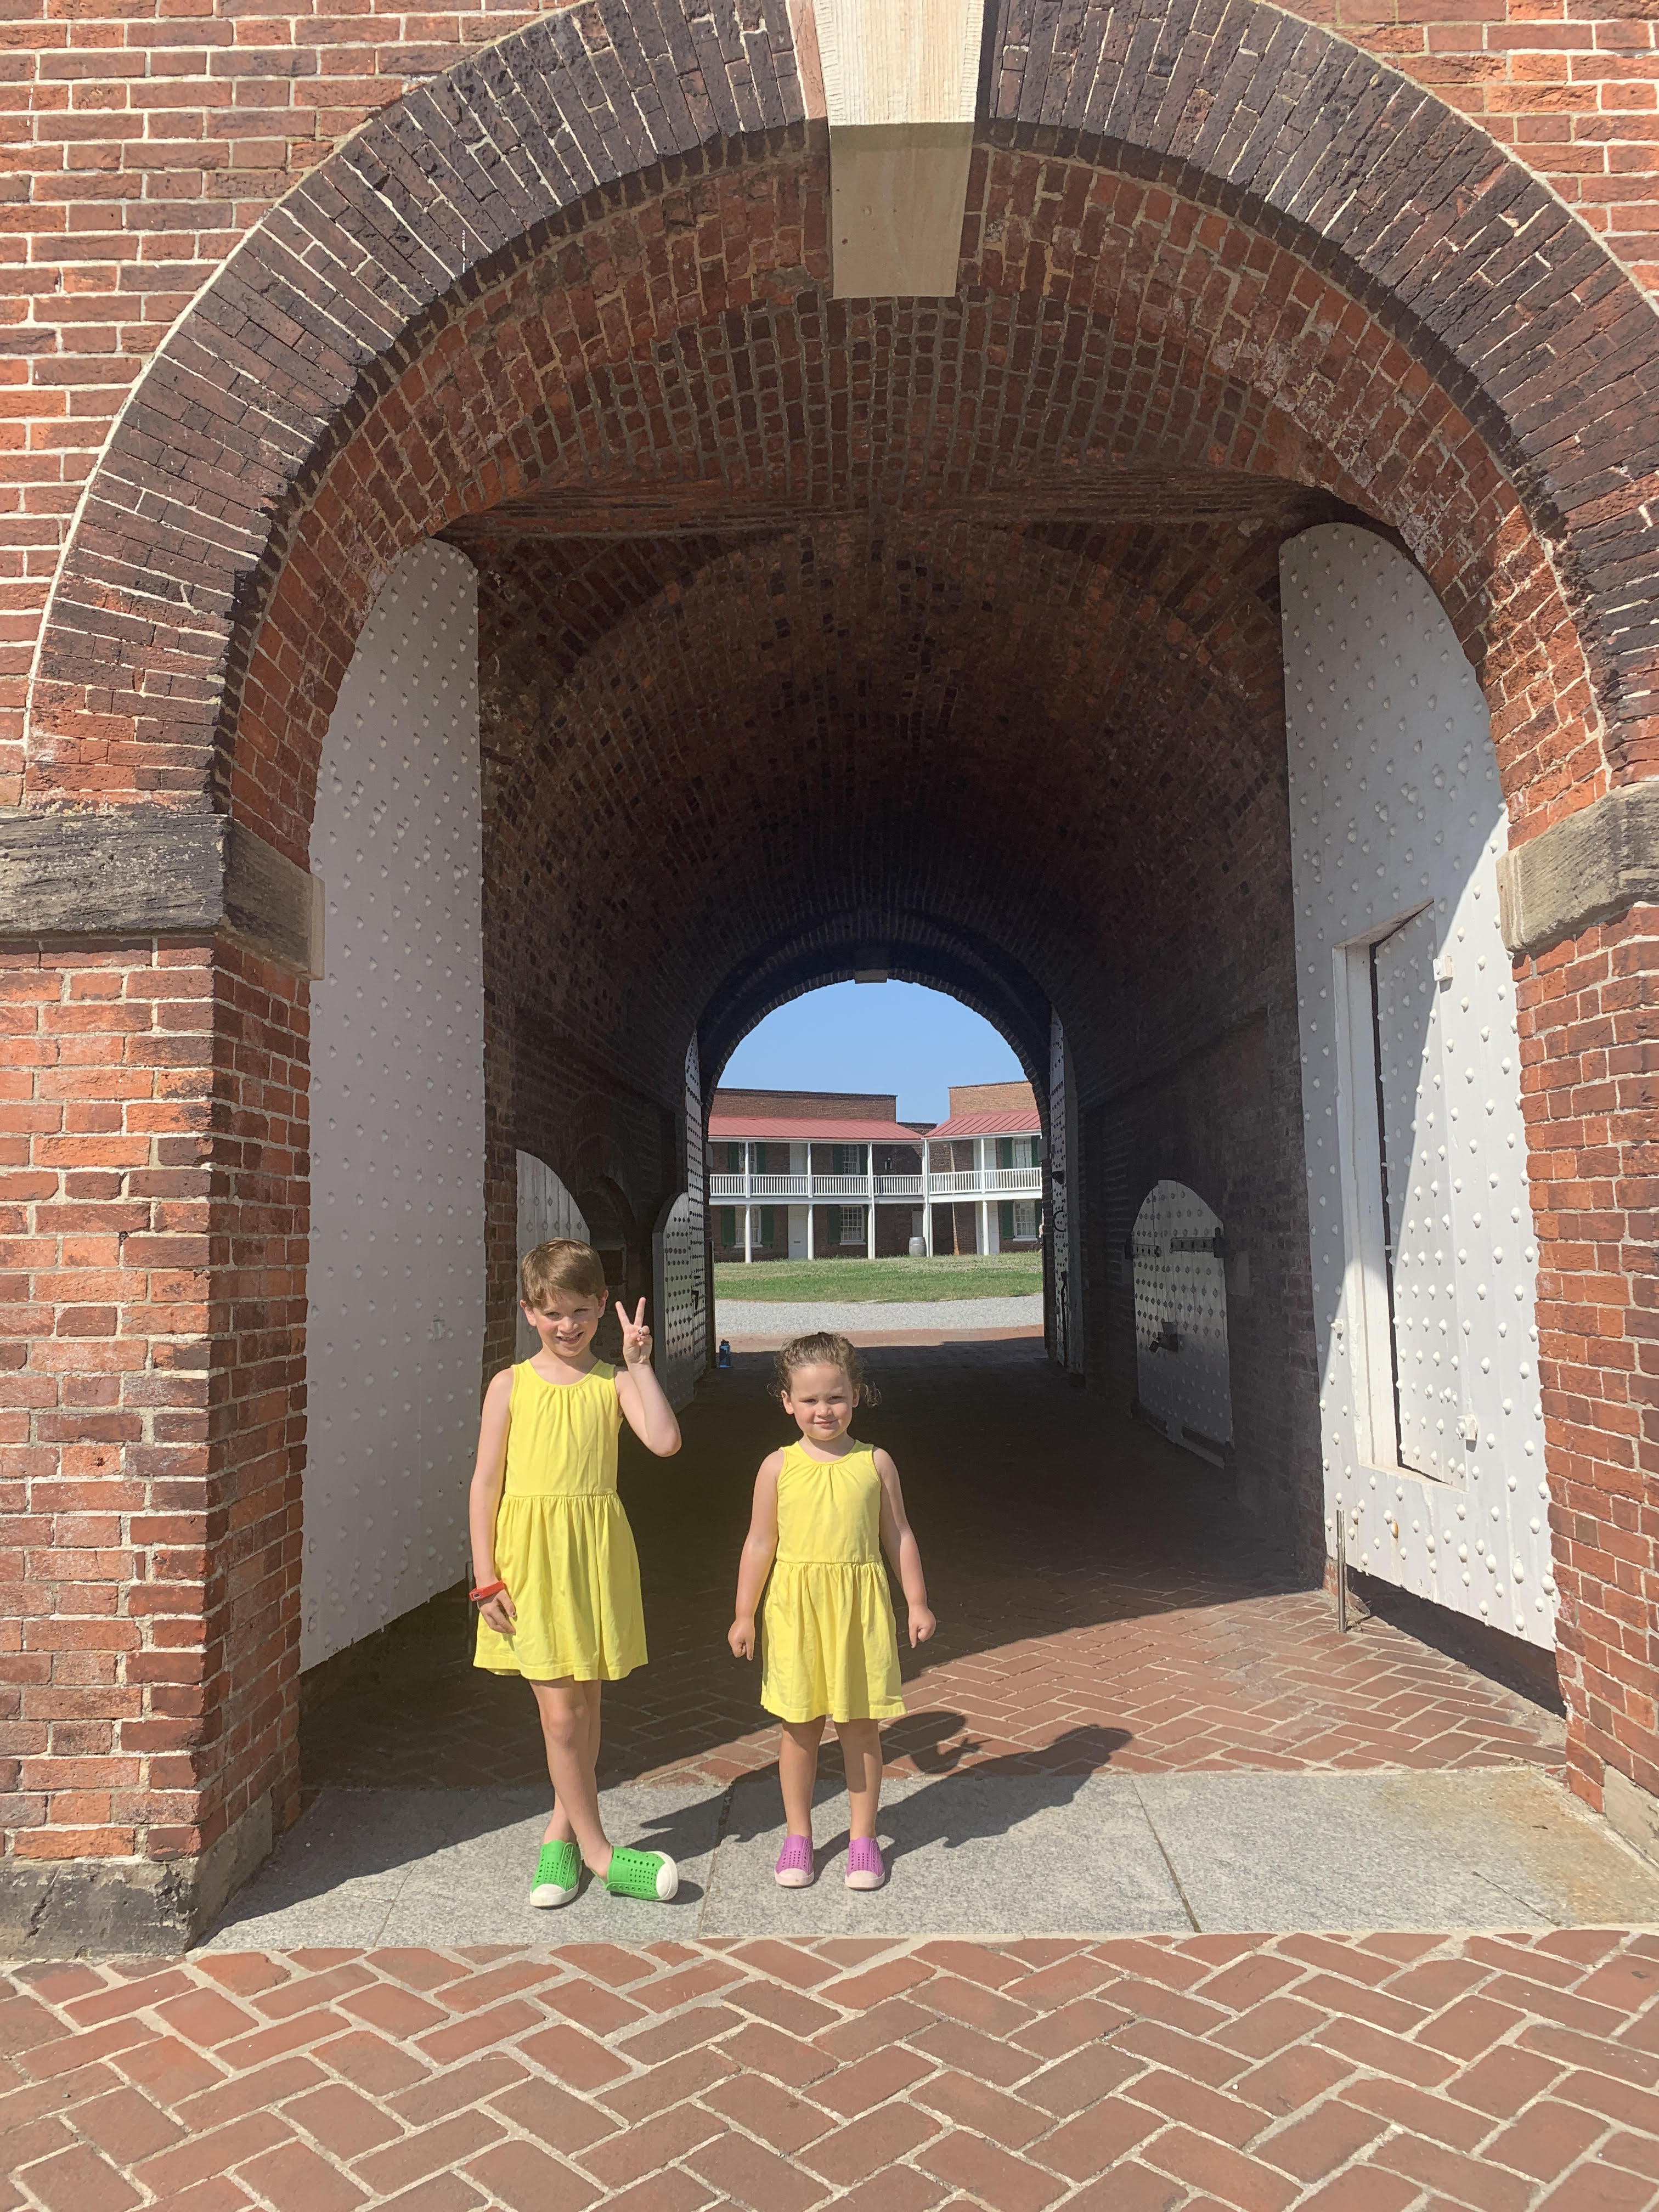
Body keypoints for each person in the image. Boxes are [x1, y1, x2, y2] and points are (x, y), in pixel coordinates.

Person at [469, 1237, 682, 1907]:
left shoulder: (612, 1382)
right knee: (560, 1716)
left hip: (594, 1554)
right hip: (528, 1562)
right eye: (554, 1312)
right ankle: (601, 1852)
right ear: (530, 1311)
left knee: (586, 1706)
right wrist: (485, 1575)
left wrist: (641, 1365)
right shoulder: (510, 1385)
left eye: (583, 1312)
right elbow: (484, 1485)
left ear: (602, 1308)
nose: (569, 1326)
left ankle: (559, 1836)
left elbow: (665, 1441)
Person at [728, 1331, 935, 1890]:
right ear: (788, 1402)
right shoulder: (777, 1467)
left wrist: (916, 1600)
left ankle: (863, 1838)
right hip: (795, 1612)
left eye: (836, 1397)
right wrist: (744, 1612)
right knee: (798, 1727)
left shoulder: (876, 1463)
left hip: (857, 1611)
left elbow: (898, 1536)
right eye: (812, 1400)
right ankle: (798, 1836)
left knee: (859, 1727)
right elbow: (759, 1543)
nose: (825, 1410)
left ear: (857, 1395)